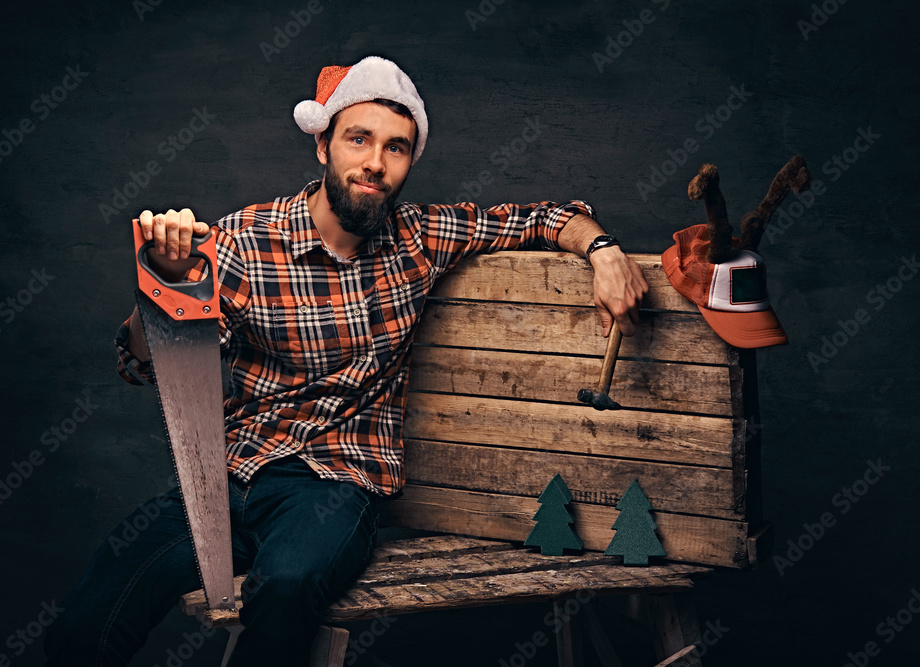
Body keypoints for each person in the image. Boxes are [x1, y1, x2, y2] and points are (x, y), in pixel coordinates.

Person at [43, 55, 648, 667]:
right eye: (359, 139)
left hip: (333, 488)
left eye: (397, 148)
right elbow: (145, 365)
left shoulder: (420, 236)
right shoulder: (243, 240)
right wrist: (165, 284)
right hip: (227, 477)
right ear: (323, 146)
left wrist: (603, 250)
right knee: (90, 617)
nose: (376, 164)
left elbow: (545, 216)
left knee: (285, 591)